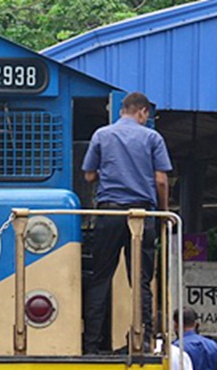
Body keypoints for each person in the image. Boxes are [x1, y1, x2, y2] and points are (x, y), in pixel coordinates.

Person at [80, 91, 173, 354]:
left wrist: (109, 172)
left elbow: (88, 176)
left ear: (123, 110)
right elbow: (161, 180)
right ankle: (143, 339)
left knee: (101, 277)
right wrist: (163, 212)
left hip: (109, 214)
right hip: (141, 215)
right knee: (141, 280)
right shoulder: (152, 138)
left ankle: (91, 344)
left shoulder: (102, 135)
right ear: (143, 111)